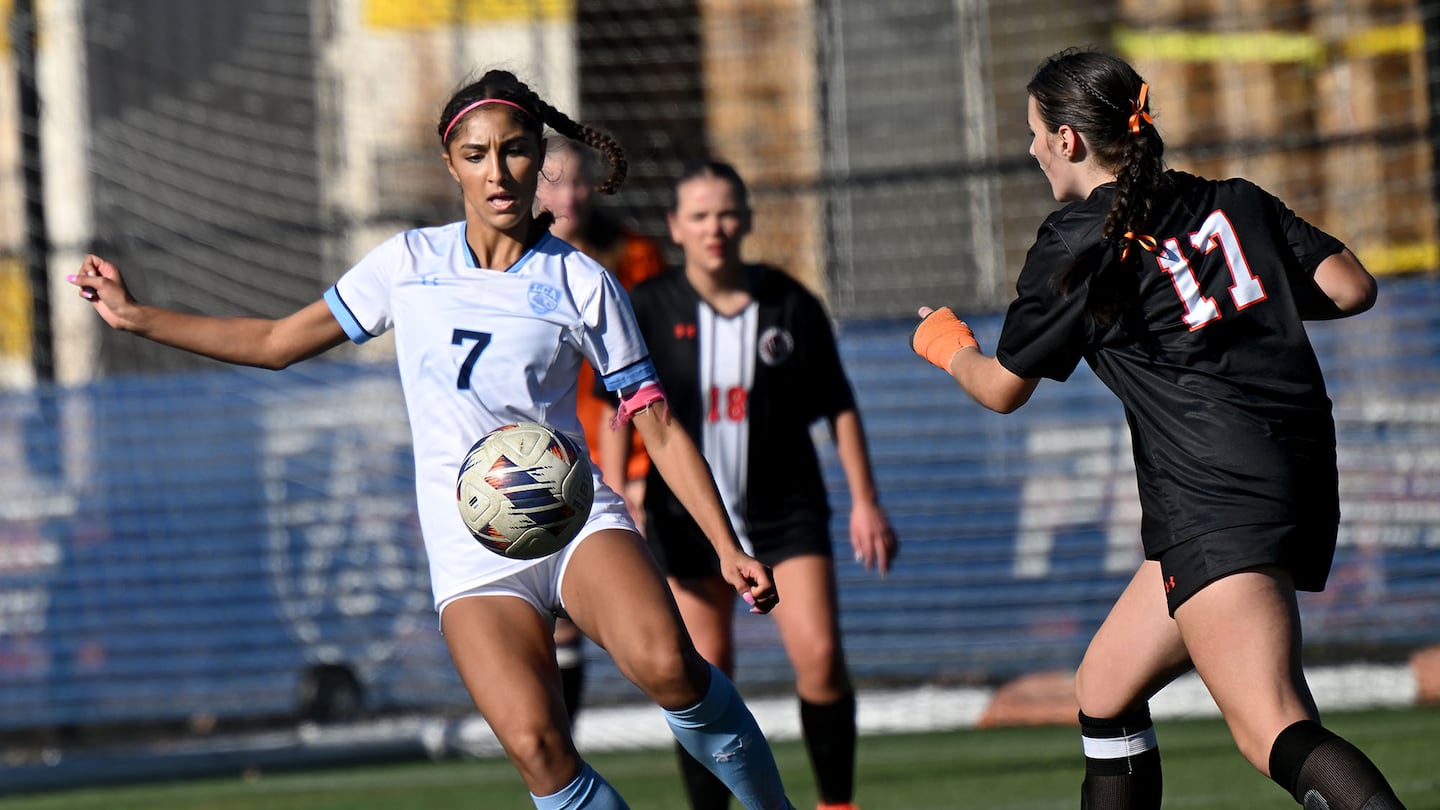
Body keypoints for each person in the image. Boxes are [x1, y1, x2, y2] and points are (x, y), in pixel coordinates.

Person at [68, 70, 797, 810]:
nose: (497, 171)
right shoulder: (407, 264)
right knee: (539, 750)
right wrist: (136, 317)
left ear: (539, 157)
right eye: (476, 154)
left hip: (573, 524)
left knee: (670, 663)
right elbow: (275, 340)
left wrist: (726, 545)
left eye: (514, 152)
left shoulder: (581, 280)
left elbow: (658, 425)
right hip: (469, 550)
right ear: (451, 164)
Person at [911, 48, 1405, 810]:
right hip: (1290, 476)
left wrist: (946, 345)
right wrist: (1235, 301)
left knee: (1272, 725)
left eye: (1036, 132)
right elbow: (1352, 286)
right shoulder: (1230, 199)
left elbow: (1003, 389)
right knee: (1105, 687)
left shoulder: (1079, 240)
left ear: (1070, 140)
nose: (1033, 147)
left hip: (1216, 493)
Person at [604, 161, 897, 810]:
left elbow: (838, 405)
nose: (716, 228)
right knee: (702, 675)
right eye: (700, 216)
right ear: (676, 227)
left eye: (727, 213)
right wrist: (620, 486)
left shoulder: (791, 304)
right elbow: (617, 405)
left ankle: (836, 803)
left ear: (747, 219)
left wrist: (866, 501)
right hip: (685, 519)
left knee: (819, 658)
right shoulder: (647, 305)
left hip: (785, 513)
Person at [535, 135, 664, 721]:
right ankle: (562, 749)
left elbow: (638, 378)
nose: (569, 193)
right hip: (545, 463)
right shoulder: (505, 266)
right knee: (551, 624)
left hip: (629, 463)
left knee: (659, 621)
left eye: (579, 179)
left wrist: (630, 473)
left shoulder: (630, 259)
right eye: (554, 180)